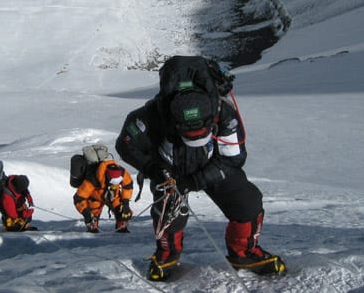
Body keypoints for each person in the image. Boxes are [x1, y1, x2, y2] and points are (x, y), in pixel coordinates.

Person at [115, 55, 286, 281]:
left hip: (211, 165)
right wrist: (154, 169)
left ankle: (243, 253)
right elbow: (125, 145)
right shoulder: (150, 116)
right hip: (169, 171)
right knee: (168, 213)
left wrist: (196, 181)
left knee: (248, 201)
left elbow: (233, 158)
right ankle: (167, 254)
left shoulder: (223, 112)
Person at [73, 160, 134, 233]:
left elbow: (128, 185)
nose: (115, 184)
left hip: (113, 196)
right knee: (92, 220)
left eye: (118, 182)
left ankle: (121, 227)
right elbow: (79, 198)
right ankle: (92, 228)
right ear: (107, 177)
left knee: (123, 212)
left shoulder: (122, 172)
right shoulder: (92, 179)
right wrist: (86, 214)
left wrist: (126, 204)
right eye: (113, 182)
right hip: (95, 198)